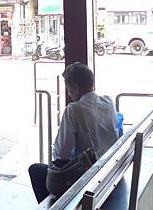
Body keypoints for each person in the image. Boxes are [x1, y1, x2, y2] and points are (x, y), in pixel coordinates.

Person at [28, 62, 119, 203]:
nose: (69, 94)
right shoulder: (108, 102)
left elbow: (61, 154)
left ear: (75, 88)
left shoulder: (74, 110)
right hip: (109, 170)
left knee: (35, 170)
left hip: (89, 177)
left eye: (68, 89)